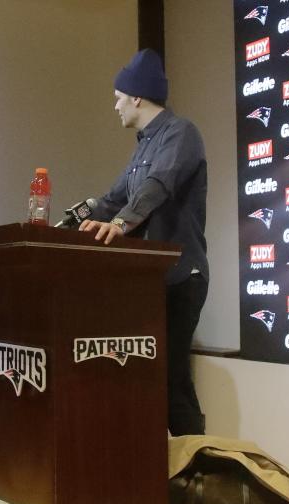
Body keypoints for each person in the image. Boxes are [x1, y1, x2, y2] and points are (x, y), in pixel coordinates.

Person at [78, 48, 208, 436]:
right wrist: (70, 222)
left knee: (171, 381)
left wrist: (119, 223)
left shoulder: (181, 132)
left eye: (119, 98)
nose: (115, 106)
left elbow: (157, 185)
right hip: (150, 284)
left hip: (181, 278)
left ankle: (196, 473)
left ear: (136, 97)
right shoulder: (143, 145)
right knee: (153, 380)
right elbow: (112, 199)